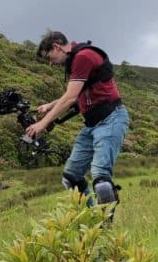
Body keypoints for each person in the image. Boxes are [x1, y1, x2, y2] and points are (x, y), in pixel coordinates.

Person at [26, 31, 129, 206]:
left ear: (57, 47)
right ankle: (91, 219)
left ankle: (105, 228)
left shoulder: (83, 57)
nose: (50, 63)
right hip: (91, 125)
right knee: (71, 177)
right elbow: (74, 92)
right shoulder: (74, 60)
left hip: (110, 119)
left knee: (101, 180)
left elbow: (71, 97)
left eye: (49, 57)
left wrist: (43, 123)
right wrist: (50, 105)